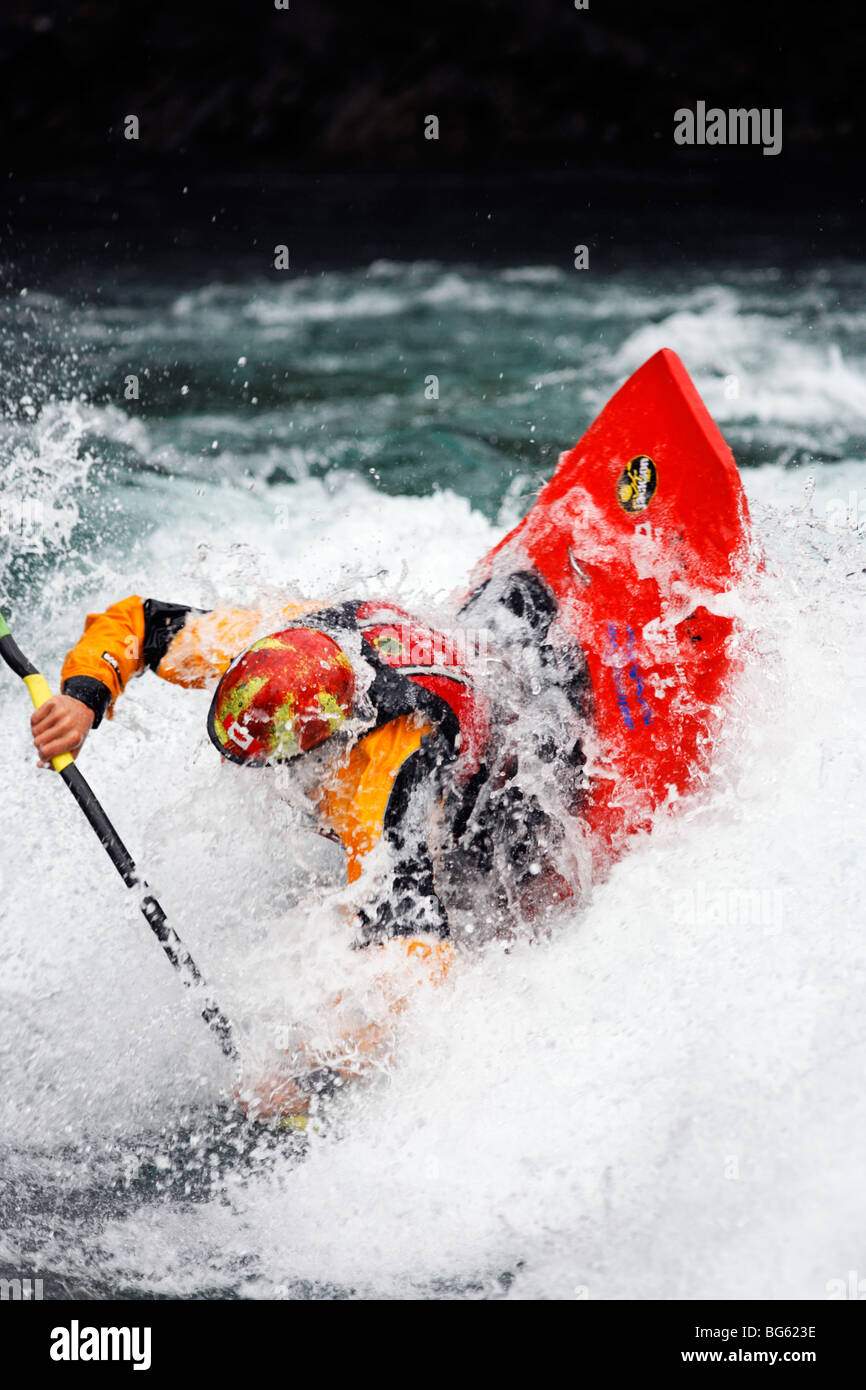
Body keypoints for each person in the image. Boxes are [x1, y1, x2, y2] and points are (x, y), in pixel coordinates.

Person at [30, 577, 591, 1121]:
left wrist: (302, 1072)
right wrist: (83, 700)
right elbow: (142, 622)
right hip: (476, 639)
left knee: (421, 906)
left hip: (510, 762)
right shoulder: (268, 642)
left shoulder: (381, 782)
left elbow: (419, 969)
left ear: (327, 743)